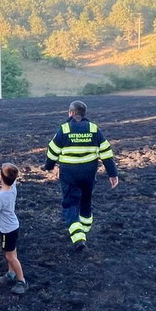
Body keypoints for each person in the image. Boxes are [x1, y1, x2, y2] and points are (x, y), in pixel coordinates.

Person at [42, 100, 119, 250]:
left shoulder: (64, 129)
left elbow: (52, 151)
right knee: (86, 202)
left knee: (70, 203)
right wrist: (112, 173)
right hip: (89, 174)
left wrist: (48, 167)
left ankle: (78, 237)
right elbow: (106, 153)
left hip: (69, 175)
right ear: (84, 114)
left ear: (71, 113)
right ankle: (84, 229)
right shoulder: (93, 129)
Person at [0, 162, 27, 294]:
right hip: (14, 226)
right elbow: (10, 180)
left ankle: (21, 281)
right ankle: (10, 274)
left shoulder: (0, 197)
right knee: (12, 251)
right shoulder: (13, 188)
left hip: (6, 231)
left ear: (1, 177)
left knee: (10, 256)